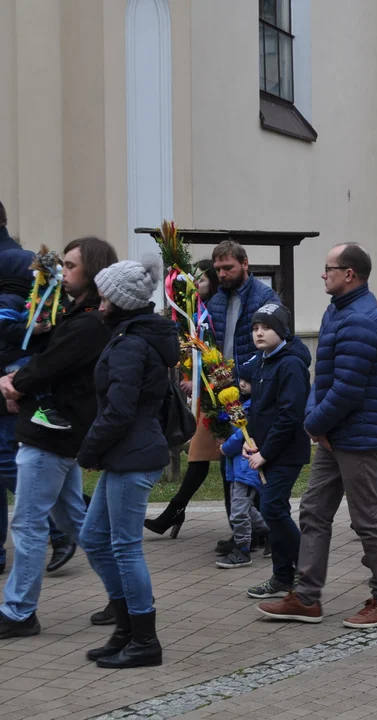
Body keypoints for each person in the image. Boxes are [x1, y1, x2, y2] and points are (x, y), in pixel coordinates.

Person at [258, 244, 377, 628]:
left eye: (329, 268)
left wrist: (313, 424)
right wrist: (316, 420)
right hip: (332, 435)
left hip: (355, 437)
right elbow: (323, 378)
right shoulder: (338, 310)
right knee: (314, 512)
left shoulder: (359, 318)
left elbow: (348, 389)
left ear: (349, 274)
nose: (323, 274)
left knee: (368, 519)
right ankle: (307, 598)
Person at [0, 236, 115, 640]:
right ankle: (123, 595)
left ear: (93, 271)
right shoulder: (77, 313)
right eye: (63, 265)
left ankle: (18, 612)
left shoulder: (88, 322)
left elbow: (51, 365)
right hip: (59, 429)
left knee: (29, 523)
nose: (62, 272)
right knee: (75, 520)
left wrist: (16, 383)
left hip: (54, 431)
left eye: (70, 266)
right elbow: (48, 354)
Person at [77, 257, 178, 668]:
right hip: (128, 453)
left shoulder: (130, 343)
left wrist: (88, 452)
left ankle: (144, 639)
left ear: (120, 302)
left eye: (104, 297)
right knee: (94, 537)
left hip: (132, 455)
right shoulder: (132, 336)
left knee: (124, 547)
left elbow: (119, 411)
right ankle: (125, 628)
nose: (99, 304)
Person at [0, 216, 76, 577]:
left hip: (12, 374)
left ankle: (61, 527)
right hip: (16, 370)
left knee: (8, 462)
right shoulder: (23, 258)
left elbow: (12, 327)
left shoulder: (11, 261)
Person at [144, 259, 234, 541]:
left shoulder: (213, 312)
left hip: (218, 392)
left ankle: (178, 512)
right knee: (202, 456)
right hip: (205, 394)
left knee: (207, 456)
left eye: (202, 280)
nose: (196, 285)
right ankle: (177, 511)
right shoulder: (194, 313)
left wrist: (197, 377)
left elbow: (214, 350)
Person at [235, 303, 312, 600]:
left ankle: (307, 564)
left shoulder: (290, 364)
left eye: (265, 327)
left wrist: (265, 453)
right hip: (266, 449)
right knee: (274, 510)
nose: (259, 333)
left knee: (272, 509)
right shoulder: (264, 362)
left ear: (281, 331)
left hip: (285, 452)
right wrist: (249, 438)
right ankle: (283, 576)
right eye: (255, 328)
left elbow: (290, 415)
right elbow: (260, 410)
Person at [215, 361, 270, 569]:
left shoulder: (252, 410)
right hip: (236, 469)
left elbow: (240, 436)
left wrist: (225, 448)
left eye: (248, 380)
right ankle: (270, 532)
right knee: (247, 509)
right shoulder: (241, 405)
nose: (242, 384)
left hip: (247, 468)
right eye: (240, 380)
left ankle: (243, 549)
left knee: (238, 511)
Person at [207, 240, 282, 368]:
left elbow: (276, 344)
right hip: (221, 382)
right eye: (217, 269)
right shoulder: (215, 302)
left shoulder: (265, 297)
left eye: (228, 268)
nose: (221, 274)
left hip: (253, 381)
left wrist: (250, 376)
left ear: (245, 264)